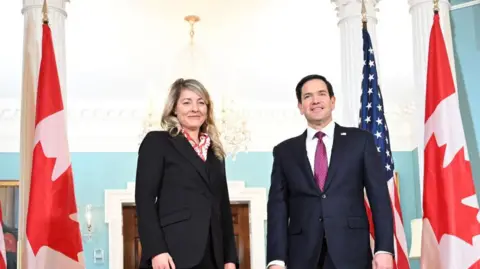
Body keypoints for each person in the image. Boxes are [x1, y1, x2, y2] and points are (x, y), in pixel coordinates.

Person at [266, 74, 394, 269]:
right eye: (307, 96)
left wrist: (384, 249)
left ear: (332, 101)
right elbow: (278, 208)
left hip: (351, 252)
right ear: (300, 106)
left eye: (321, 94)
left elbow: (379, 198)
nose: (315, 100)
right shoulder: (284, 152)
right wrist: (276, 260)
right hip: (302, 255)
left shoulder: (361, 141)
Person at [135, 78, 238, 269]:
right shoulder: (157, 142)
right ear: (174, 108)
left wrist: (230, 259)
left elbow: (223, 207)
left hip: (213, 257)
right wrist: (156, 250)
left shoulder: (215, 153)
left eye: (201, 102)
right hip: (172, 253)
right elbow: (144, 201)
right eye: (187, 102)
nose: (195, 108)